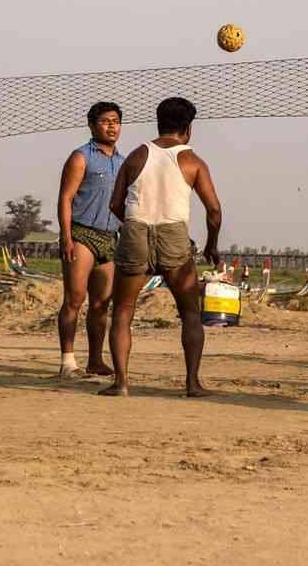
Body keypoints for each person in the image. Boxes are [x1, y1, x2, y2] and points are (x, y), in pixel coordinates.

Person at [99, 97, 222, 397]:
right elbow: (214, 210)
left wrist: (132, 226)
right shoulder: (193, 161)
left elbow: (116, 203)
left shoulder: (137, 155)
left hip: (135, 230)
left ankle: (121, 383)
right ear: (188, 129)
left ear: (159, 122)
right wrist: (211, 245)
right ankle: (192, 383)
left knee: (123, 313)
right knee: (190, 312)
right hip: (174, 234)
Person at [56, 102, 124, 378]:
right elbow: (65, 198)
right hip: (81, 233)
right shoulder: (80, 157)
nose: (112, 126)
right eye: (106, 121)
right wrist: (66, 237)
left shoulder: (123, 162)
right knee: (74, 299)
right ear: (92, 125)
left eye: (116, 121)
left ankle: (95, 360)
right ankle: (67, 361)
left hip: (109, 237)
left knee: (101, 303)